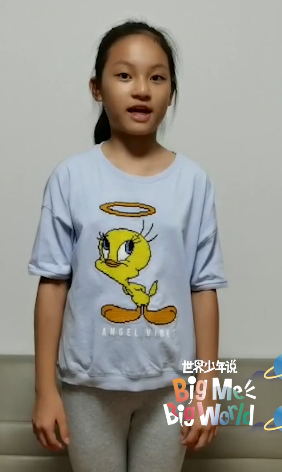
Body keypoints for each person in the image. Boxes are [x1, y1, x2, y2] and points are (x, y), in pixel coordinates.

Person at [28, 19, 228, 472]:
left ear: (171, 93)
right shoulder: (71, 177)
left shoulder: (194, 182)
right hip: (87, 386)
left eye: (157, 77)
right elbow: (52, 284)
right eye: (124, 75)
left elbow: (204, 287)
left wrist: (207, 388)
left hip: (171, 386)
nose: (141, 89)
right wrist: (45, 390)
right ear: (97, 88)